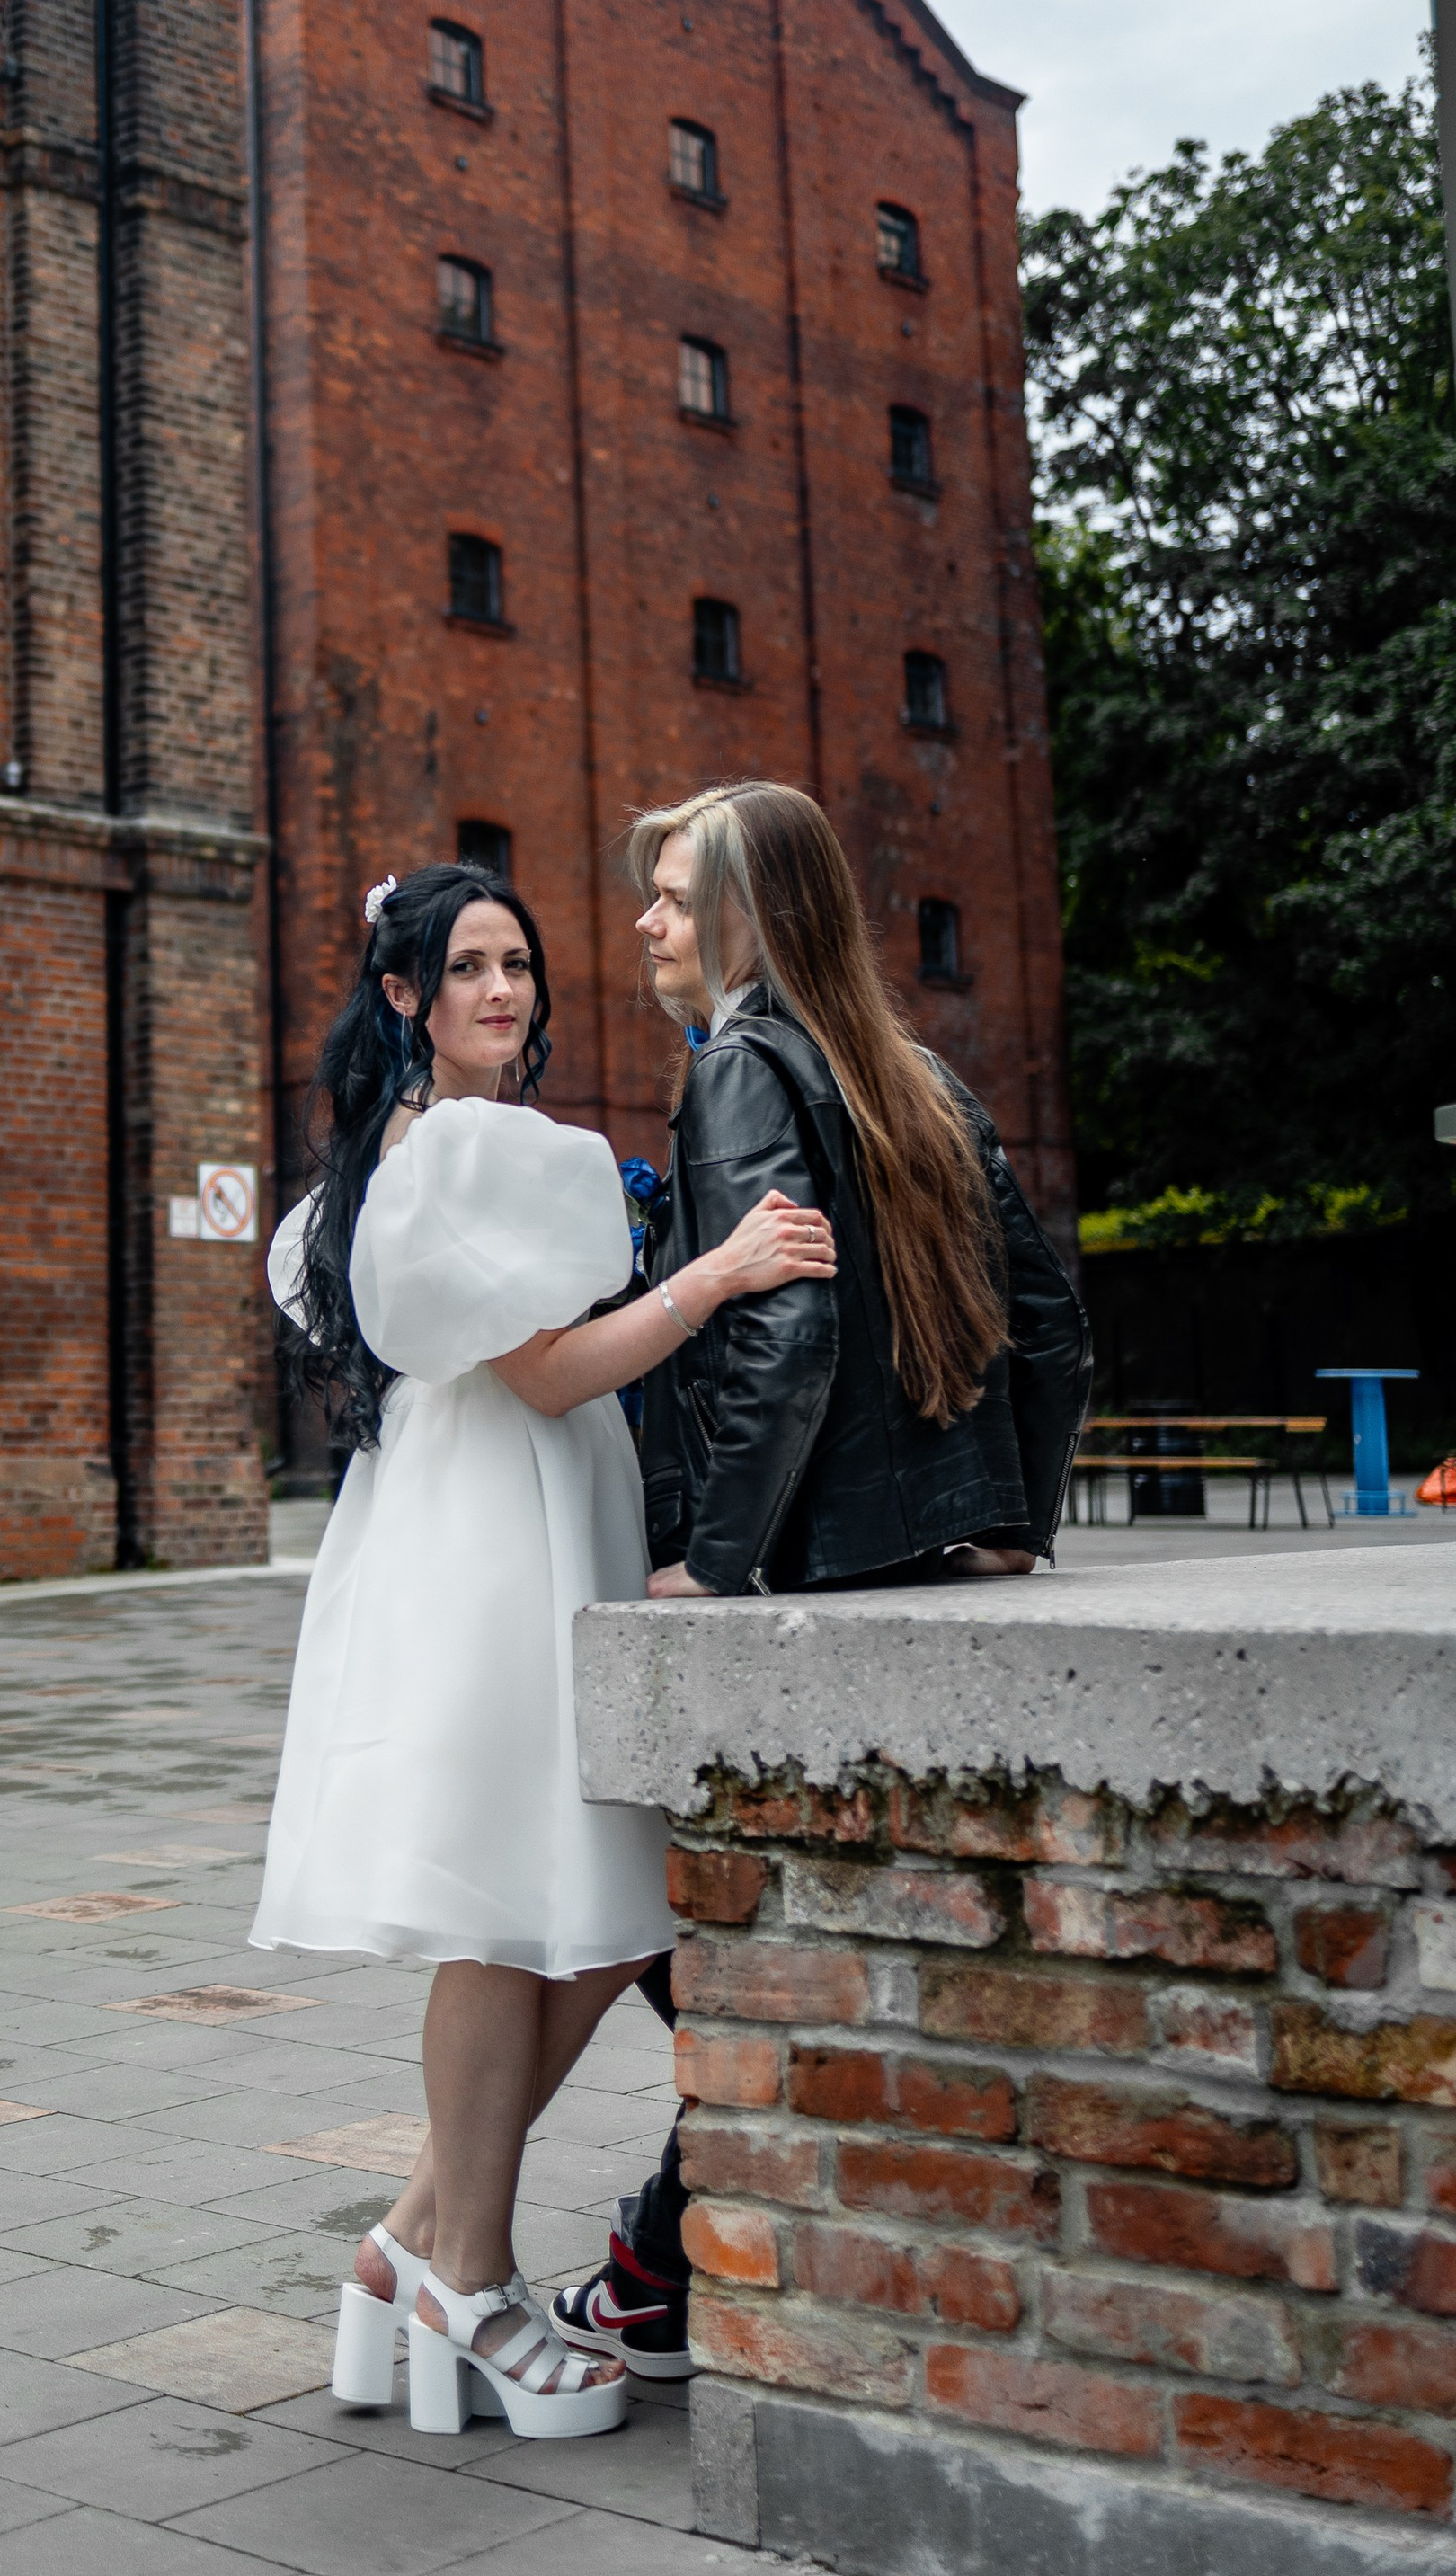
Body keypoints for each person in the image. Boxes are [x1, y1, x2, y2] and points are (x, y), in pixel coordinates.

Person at [252, 859, 836, 2439]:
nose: (503, 990)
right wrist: (720, 1273)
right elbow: (553, 1374)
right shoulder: (463, 1149)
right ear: (405, 997)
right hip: (496, 1536)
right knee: (508, 1915)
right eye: (467, 968)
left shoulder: (415, 1147)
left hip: (495, 1517)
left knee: (573, 1904)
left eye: (517, 962)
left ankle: (406, 2246)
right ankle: (473, 2281)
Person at [552, 777, 1090, 2376]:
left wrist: (712, 1565)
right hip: (928, 1563)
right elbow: (1054, 1327)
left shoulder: (740, 1066)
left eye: (673, 895)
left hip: (802, 1571)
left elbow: (782, 1331)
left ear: (747, 914)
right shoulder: (916, 1071)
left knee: (698, 1929)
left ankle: (662, 2264)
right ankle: (670, 2255)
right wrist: (1011, 1521)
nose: (644, 921)